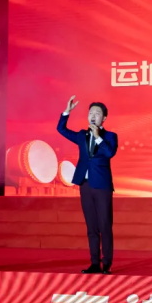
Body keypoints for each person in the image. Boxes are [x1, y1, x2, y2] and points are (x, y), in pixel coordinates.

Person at [57, 95, 118, 274]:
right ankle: (94, 263)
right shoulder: (81, 135)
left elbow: (109, 153)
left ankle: (106, 264)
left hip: (102, 186)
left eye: (97, 113)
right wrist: (66, 112)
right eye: (91, 113)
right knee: (91, 227)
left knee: (104, 225)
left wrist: (98, 137)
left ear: (104, 118)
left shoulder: (110, 136)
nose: (93, 116)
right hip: (85, 184)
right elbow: (61, 129)